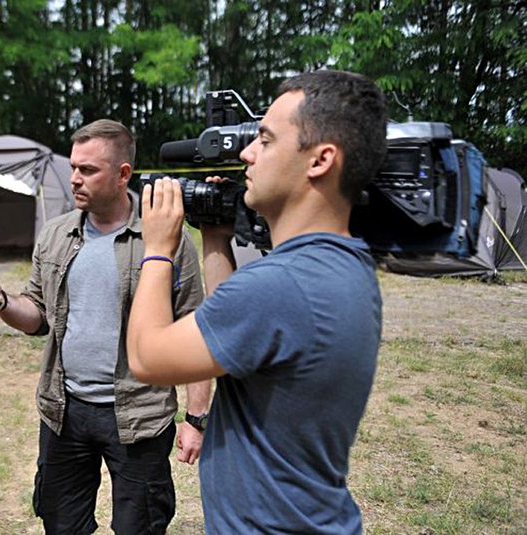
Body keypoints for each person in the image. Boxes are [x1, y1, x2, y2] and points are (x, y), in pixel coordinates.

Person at [127, 70, 388, 533]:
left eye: (265, 141)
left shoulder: (280, 286)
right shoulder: (342, 266)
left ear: (320, 160)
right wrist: (215, 239)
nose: (246, 153)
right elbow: (230, 340)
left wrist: (156, 250)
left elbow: (148, 356)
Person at [0, 119, 210, 534]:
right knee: (61, 525)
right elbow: (37, 315)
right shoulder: (57, 234)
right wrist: (2, 302)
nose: (75, 178)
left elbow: (192, 326)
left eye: (88, 170)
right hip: (64, 411)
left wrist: (196, 417)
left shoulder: (163, 239)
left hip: (138, 416)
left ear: (122, 174)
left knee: (139, 526)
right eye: (73, 167)